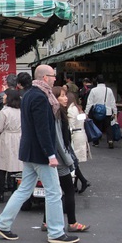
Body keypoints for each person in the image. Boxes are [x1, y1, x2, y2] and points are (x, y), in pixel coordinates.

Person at [0, 65, 80, 243]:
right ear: (44, 78)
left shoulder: (30, 94)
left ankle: (3, 223)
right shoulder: (41, 97)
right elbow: (43, 129)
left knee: (24, 190)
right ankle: (56, 232)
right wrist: (50, 154)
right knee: (54, 192)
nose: (55, 79)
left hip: (29, 151)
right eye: (53, 76)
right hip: (40, 153)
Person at [40, 87, 90, 233]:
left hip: (55, 157)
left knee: (53, 191)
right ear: (55, 98)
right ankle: (72, 223)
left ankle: (45, 222)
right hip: (59, 159)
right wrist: (68, 160)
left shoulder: (58, 113)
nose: (65, 98)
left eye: (65, 95)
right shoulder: (57, 115)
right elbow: (59, 141)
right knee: (67, 190)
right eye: (62, 96)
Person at [0, 89, 23, 203]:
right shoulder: (21, 110)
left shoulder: (5, 111)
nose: (3, 97)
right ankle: (15, 192)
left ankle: (1, 194)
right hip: (18, 138)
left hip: (6, 138)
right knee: (16, 166)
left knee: (2, 166)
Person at [66, 92, 91, 194]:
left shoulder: (71, 110)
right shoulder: (78, 108)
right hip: (81, 134)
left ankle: (83, 181)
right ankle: (75, 185)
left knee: (73, 162)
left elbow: (71, 125)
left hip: (75, 136)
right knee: (75, 162)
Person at [85, 74, 117, 148]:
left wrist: (86, 112)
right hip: (107, 111)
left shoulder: (93, 90)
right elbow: (113, 102)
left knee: (96, 126)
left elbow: (89, 102)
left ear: (97, 82)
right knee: (108, 126)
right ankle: (110, 140)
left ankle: (96, 142)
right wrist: (115, 112)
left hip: (97, 112)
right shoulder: (109, 90)